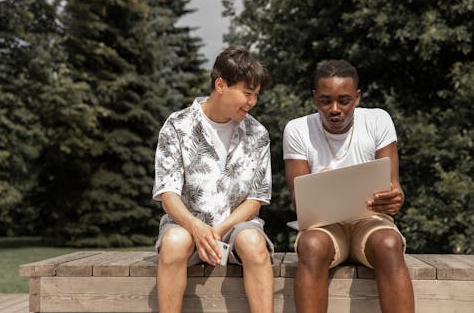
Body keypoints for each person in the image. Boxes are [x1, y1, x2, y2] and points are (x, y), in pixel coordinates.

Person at [283, 60, 414, 313]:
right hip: (324, 224)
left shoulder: (378, 120)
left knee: (389, 244)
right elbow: (299, 202)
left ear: (357, 97)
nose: (334, 109)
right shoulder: (297, 129)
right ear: (314, 98)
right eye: (325, 101)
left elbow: (393, 188)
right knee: (311, 246)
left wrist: (395, 199)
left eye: (344, 100)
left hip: (370, 219)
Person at [152, 46, 274, 313]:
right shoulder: (177, 126)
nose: (252, 102)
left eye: (255, 95)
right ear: (220, 85)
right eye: (247, 93)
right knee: (173, 244)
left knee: (254, 245)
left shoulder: (258, 133)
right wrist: (197, 228)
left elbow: (255, 200)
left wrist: (215, 233)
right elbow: (168, 194)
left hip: (237, 225)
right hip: (185, 223)